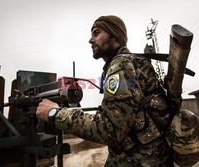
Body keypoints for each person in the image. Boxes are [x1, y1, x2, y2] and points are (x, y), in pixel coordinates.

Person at [36, 15, 173, 166]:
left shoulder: (121, 66)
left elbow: (110, 129)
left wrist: (55, 113)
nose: (90, 40)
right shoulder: (134, 62)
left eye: (96, 33)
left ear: (114, 35)